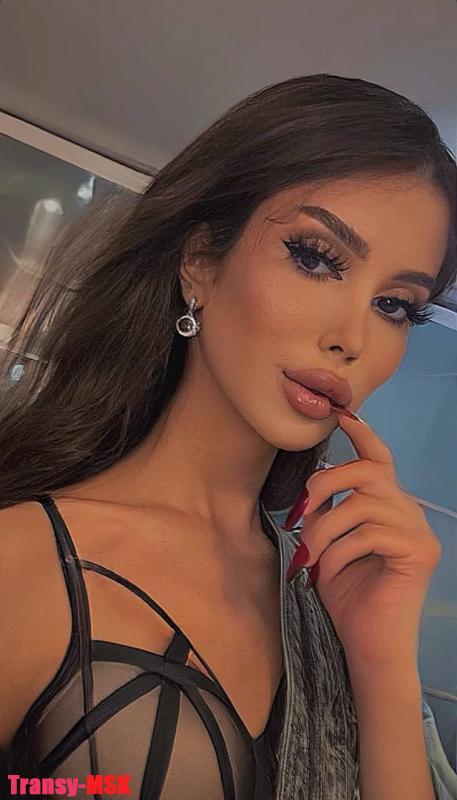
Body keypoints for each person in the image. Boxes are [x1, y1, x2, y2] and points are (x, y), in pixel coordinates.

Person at [0, 73, 456, 800]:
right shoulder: (22, 563)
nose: (352, 337)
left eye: (396, 305)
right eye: (315, 258)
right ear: (200, 261)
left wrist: (381, 663)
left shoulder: (332, 593)